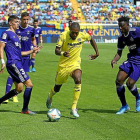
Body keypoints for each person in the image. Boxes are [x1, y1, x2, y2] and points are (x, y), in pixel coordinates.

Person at [46, 22, 99, 118]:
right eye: (73, 32)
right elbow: (56, 50)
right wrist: (62, 53)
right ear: (70, 30)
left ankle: (73, 108)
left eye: (76, 33)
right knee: (57, 88)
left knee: (78, 78)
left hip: (75, 63)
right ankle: (50, 96)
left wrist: (97, 52)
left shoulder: (83, 35)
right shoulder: (63, 35)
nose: (75, 35)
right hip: (63, 65)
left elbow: (91, 39)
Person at [0, 15, 39, 114]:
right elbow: (1, 47)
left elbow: (20, 53)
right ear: (10, 23)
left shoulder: (16, 36)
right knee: (29, 85)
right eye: (16, 22)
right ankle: (25, 109)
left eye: (18, 22)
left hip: (17, 63)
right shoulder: (6, 33)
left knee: (19, 89)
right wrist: (2, 62)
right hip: (13, 63)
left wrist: (32, 50)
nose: (18, 24)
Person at [111, 16, 140, 114]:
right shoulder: (121, 38)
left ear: (127, 25)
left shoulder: (136, 31)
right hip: (131, 59)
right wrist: (114, 60)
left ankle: (138, 99)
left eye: (122, 26)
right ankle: (124, 105)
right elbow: (119, 53)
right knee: (118, 81)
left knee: (129, 84)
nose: (120, 28)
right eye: (119, 26)